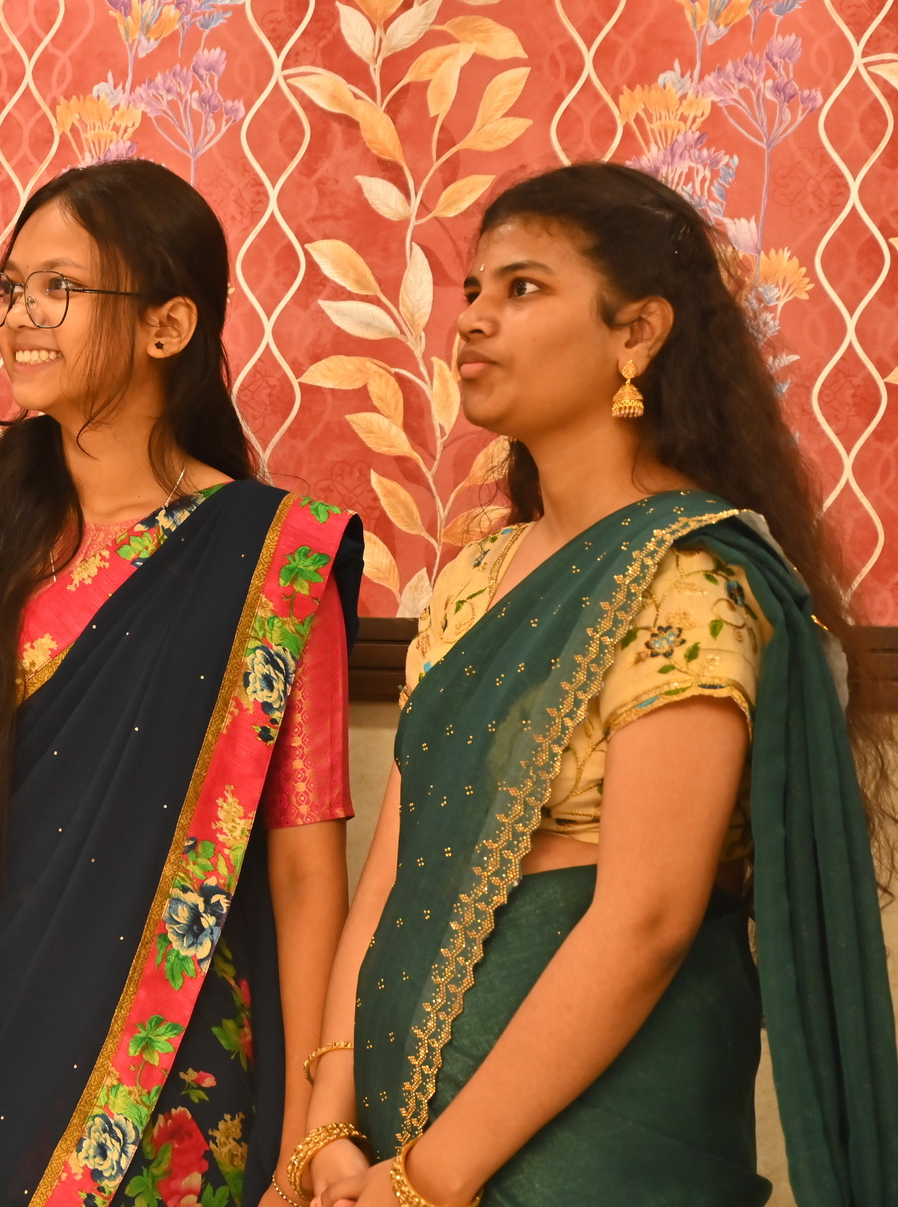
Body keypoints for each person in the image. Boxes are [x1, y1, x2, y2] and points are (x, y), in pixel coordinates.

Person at [0, 158, 364, 1207]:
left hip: (168, 1072)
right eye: (9, 288)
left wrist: (309, 1138)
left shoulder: (273, 558)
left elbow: (305, 871)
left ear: (168, 326)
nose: (18, 317)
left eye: (59, 287)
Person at [297, 162, 898, 1207]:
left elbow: (645, 922)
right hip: (391, 1142)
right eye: (472, 289)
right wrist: (329, 1129)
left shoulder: (690, 582)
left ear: (637, 334)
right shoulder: (474, 579)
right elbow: (389, 883)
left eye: (523, 287)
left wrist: (430, 1177)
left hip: (584, 1157)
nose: (471, 318)